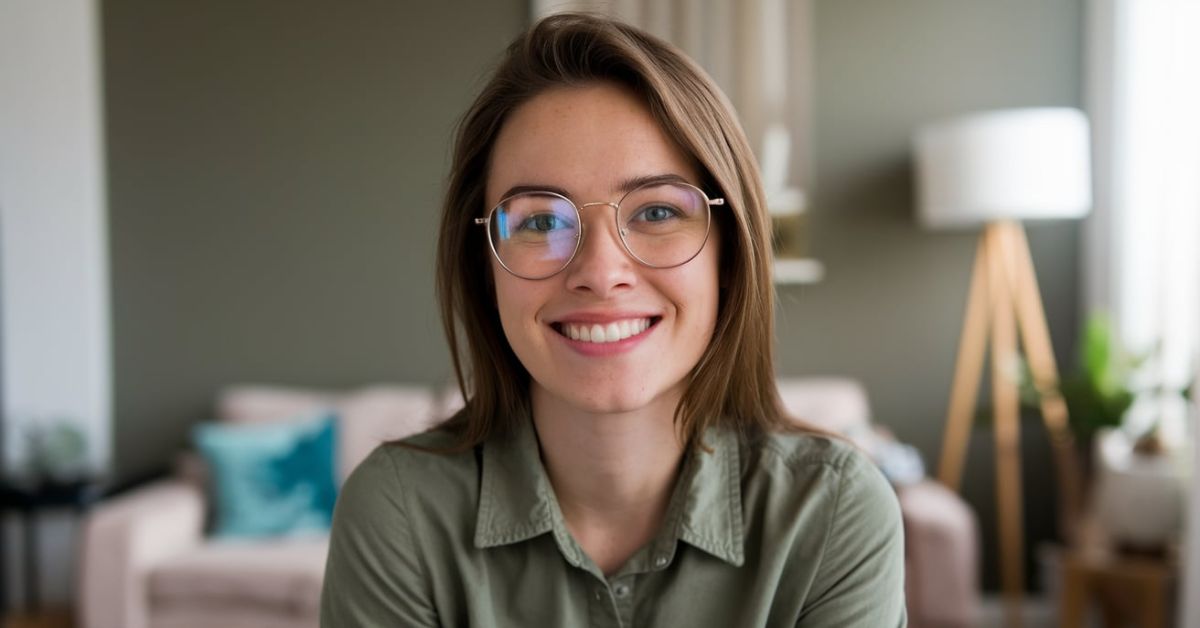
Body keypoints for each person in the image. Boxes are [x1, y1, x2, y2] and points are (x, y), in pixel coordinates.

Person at [321, 12, 904, 627]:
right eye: (541, 221)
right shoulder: (398, 511)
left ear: (729, 251)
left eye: (655, 211)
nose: (601, 272)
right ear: (485, 267)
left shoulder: (835, 510)